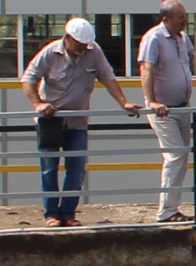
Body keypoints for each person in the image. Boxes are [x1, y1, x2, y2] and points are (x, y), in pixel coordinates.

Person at [22, 16, 135, 226]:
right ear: (67, 38)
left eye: (85, 44)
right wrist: (38, 104)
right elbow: (29, 78)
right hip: (51, 120)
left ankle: (68, 214)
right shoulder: (50, 53)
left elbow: (108, 77)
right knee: (49, 168)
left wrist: (123, 102)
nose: (83, 48)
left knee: (77, 168)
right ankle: (51, 214)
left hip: (77, 121)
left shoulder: (94, 52)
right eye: (79, 43)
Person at [133, 0, 196, 223]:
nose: (185, 20)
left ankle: (173, 207)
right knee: (175, 155)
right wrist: (151, 101)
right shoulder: (154, 38)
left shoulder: (182, 38)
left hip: (183, 107)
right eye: (181, 17)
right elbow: (146, 68)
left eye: (185, 16)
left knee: (182, 156)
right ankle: (167, 211)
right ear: (166, 19)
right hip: (164, 110)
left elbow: (189, 57)